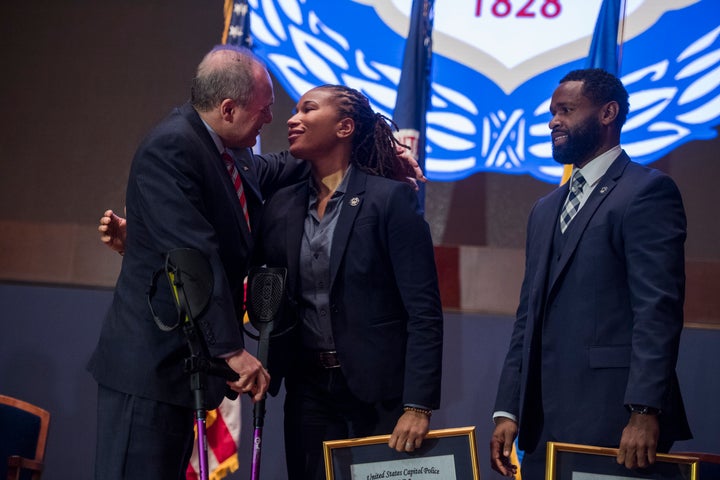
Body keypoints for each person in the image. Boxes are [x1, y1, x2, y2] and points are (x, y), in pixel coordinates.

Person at [87, 44, 307, 480]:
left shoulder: (225, 150)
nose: (270, 120)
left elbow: (273, 170)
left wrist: (350, 151)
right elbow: (194, 256)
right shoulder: (171, 148)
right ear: (228, 108)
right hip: (149, 369)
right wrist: (231, 351)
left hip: (179, 371)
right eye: (264, 110)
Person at [490, 68, 692, 479]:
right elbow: (527, 318)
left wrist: (643, 409)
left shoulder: (647, 191)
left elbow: (658, 310)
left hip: (614, 419)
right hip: (541, 423)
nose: (553, 121)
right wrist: (508, 407)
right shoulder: (545, 208)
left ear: (608, 113)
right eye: (551, 112)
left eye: (566, 110)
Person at [251, 84, 443, 480]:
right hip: (307, 392)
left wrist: (418, 405)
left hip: (379, 396)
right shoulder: (280, 206)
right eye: (294, 111)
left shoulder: (389, 200)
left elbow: (423, 312)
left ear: (345, 128)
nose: (292, 118)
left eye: (308, 110)